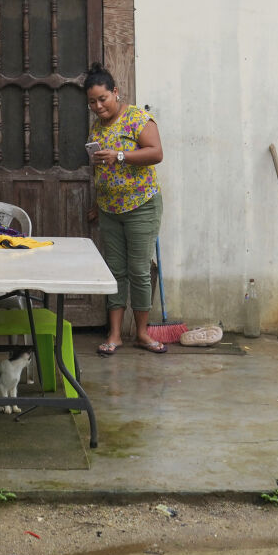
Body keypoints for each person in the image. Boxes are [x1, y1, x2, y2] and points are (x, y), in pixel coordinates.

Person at [83, 63, 167, 355]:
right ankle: (115, 334)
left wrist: (119, 154)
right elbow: (102, 172)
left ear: (115, 92)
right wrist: (97, 204)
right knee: (115, 271)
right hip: (109, 209)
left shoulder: (137, 118)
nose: (98, 106)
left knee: (139, 270)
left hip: (141, 205)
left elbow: (155, 153)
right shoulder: (97, 126)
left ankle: (142, 333)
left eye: (102, 99)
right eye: (92, 102)